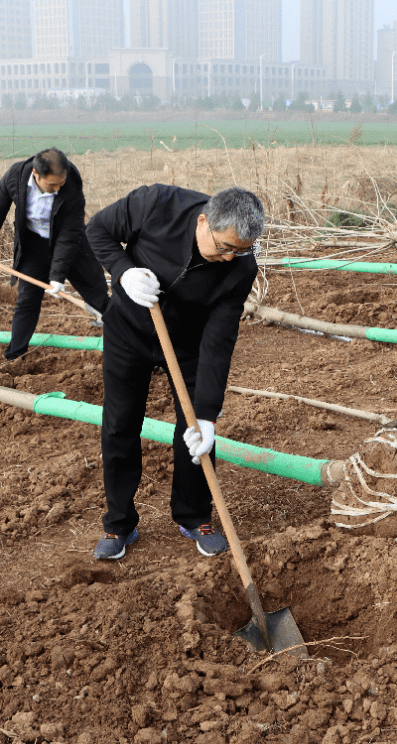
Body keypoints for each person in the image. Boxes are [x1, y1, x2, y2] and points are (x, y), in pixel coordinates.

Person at [85, 185, 264, 561]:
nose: (231, 257)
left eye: (241, 250)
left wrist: (207, 414)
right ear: (203, 222)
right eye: (226, 247)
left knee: (196, 432)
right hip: (128, 330)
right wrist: (124, 273)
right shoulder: (157, 204)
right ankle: (119, 522)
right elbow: (97, 230)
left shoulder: (240, 268)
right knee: (119, 423)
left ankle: (194, 515)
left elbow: (218, 343)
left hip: (188, 344)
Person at [0, 148, 109, 360]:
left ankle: (136, 347)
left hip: (72, 246)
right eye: (52, 184)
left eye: (60, 183)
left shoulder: (71, 182)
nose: (58, 188)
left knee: (99, 297)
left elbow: (69, 233)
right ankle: (14, 357)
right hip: (33, 246)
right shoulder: (16, 175)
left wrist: (57, 275)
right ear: (36, 174)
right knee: (27, 302)